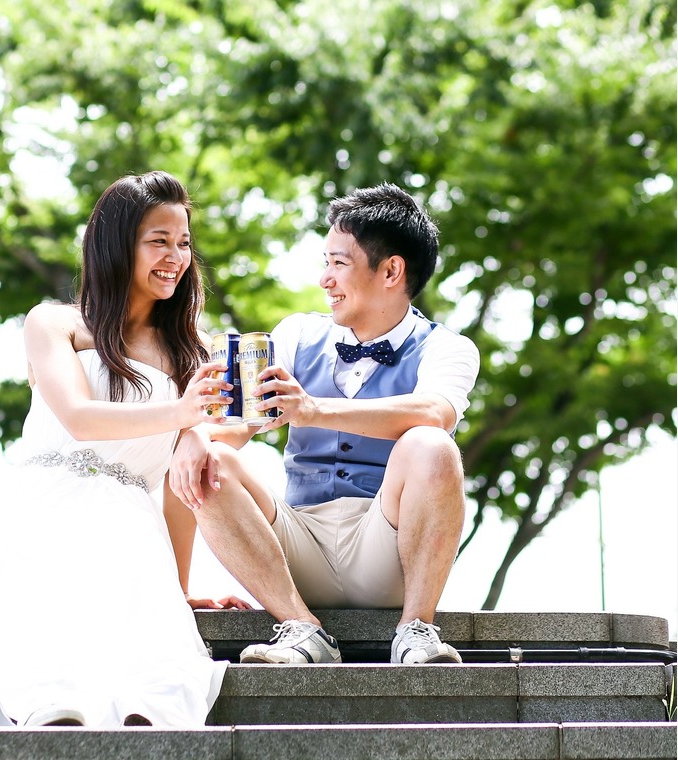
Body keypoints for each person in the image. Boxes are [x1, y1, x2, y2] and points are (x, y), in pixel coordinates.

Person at [0, 170, 243, 729]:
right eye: (159, 241)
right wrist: (183, 414)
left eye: (183, 243)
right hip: (36, 515)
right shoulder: (53, 323)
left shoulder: (188, 352)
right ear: (116, 244)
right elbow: (79, 419)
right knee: (55, 689)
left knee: (153, 691)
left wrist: (178, 591)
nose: (175, 257)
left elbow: (185, 489)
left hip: (131, 531)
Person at [166, 182, 479, 665]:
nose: (324, 279)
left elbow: (432, 413)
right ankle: (300, 627)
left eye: (338, 263)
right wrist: (193, 435)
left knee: (432, 445)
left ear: (391, 270)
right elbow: (239, 425)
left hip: (388, 549)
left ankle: (417, 630)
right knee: (211, 457)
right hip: (297, 545)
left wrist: (311, 410)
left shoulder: (448, 348)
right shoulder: (297, 333)